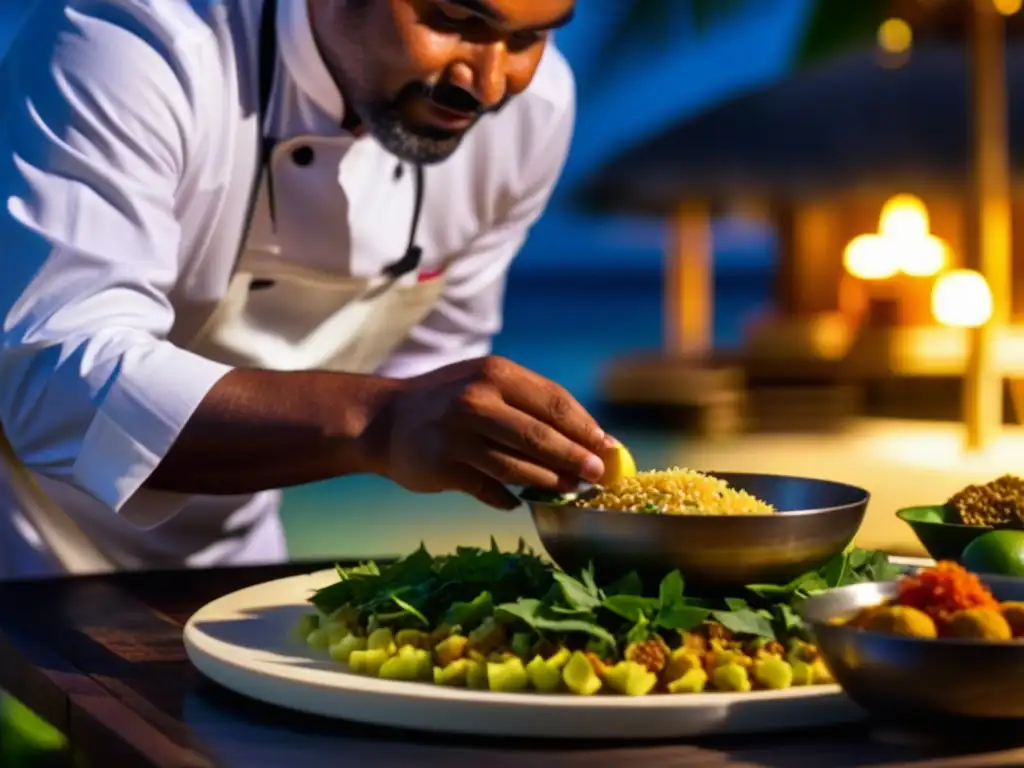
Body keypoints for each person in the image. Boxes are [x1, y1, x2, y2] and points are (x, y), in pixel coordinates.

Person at [0, 0, 613, 579]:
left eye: (530, 37)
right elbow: (57, 383)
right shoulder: (133, 41)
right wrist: (380, 423)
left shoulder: (535, 116)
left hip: (238, 550)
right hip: (23, 530)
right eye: (454, 19)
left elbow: (437, 364)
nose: (488, 84)